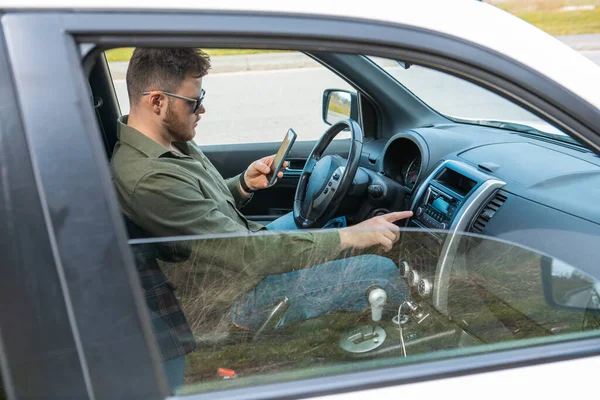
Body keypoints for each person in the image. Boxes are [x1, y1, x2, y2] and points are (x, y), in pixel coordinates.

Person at [111, 48, 411, 393]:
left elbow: (198, 212)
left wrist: (241, 185)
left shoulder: (165, 142)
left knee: (335, 219)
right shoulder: (148, 177)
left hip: (235, 257)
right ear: (157, 102)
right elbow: (246, 252)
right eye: (194, 101)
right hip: (233, 294)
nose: (202, 108)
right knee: (378, 271)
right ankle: (414, 357)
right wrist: (350, 237)